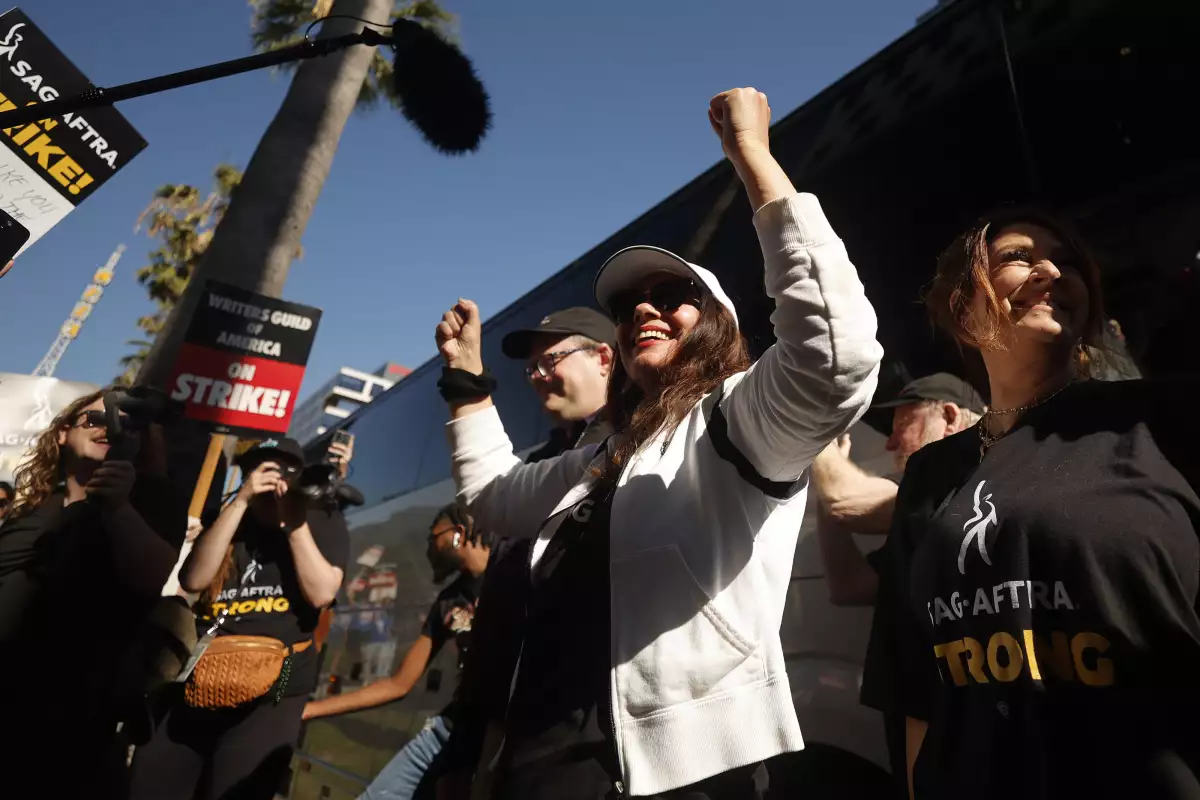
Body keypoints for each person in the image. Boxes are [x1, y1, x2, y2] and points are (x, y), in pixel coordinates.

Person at [434, 87, 883, 799]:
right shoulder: (601, 458)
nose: (643, 308)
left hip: (676, 778)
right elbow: (492, 500)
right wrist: (467, 383)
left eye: (672, 294)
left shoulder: (736, 421)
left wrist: (753, 158)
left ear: (719, 326)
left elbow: (837, 355)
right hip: (541, 758)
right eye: (625, 306)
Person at [865, 210, 1200, 800]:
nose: (1050, 270)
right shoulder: (931, 475)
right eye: (1017, 258)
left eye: (1068, 262)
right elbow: (916, 689)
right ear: (963, 307)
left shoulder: (1167, 417)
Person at [435, 307, 618, 799]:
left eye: (551, 360)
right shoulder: (532, 472)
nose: (538, 378)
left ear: (604, 358)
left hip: (591, 747)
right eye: (531, 369)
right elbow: (499, 618)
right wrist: (464, 748)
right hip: (514, 737)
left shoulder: (649, 449)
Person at [128, 437, 349, 800]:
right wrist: (241, 500)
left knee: (238, 789)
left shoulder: (321, 519)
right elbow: (193, 580)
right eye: (261, 468)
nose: (273, 478)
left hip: (281, 680)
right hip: (203, 672)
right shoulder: (228, 518)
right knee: (148, 785)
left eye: (285, 469)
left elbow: (322, 594)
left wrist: (294, 523)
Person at [0, 388, 186, 796]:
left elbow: (151, 575)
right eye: (95, 419)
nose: (110, 427)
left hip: (71, 722)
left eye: (125, 420)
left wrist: (117, 507)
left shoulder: (150, 502)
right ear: (63, 434)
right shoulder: (31, 508)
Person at [303, 504, 491, 800]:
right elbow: (397, 684)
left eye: (434, 538)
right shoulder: (449, 600)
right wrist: (310, 709)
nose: (430, 548)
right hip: (451, 728)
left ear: (459, 534)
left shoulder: (516, 573)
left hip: (499, 737)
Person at [812, 373, 984, 607]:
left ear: (949, 417)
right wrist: (826, 491)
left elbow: (842, 500)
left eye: (903, 424)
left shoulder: (974, 486)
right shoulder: (922, 527)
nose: (890, 444)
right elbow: (851, 586)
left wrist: (811, 424)